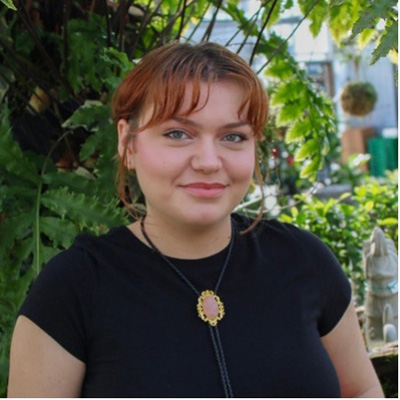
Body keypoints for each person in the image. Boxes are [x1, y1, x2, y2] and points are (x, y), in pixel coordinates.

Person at [8, 42, 384, 398]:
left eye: (233, 137)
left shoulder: (304, 261)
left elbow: (361, 390)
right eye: (177, 133)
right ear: (128, 143)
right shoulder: (74, 288)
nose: (208, 161)